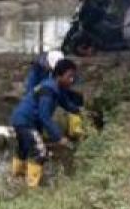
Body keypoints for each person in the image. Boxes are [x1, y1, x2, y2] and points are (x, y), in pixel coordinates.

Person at [10, 58, 79, 188]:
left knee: (24, 149)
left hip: (20, 119)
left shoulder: (57, 88)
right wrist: (59, 137)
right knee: (40, 152)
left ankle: (16, 179)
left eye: (73, 77)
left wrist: (80, 111)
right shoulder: (48, 90)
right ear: (59, 75)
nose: (72, 80)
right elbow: (44, 116)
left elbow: (66, 104)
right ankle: (31, 188)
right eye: (69, 76)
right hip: (26, 121)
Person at [24, 49, 85, 140]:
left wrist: (77, 110)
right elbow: (30, 89)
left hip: (53, 91)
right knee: (43, 113)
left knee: (76, 98)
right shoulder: (37, 70)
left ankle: (75, 126)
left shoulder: (60, 71)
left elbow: (65, 88)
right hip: (42, 95)